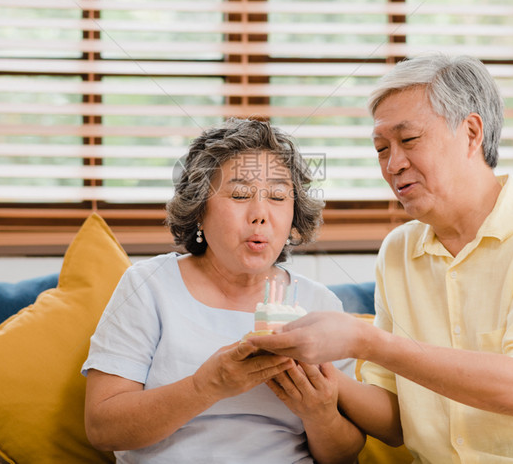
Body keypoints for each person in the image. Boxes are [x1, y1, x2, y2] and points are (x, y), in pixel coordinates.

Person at [250, 54, 513, 462]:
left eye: (409, 140)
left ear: (471, 133)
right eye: (382, 148)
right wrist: (315, 376)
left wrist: (365, 340)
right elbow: (397, 422)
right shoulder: (398, 251)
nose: (393, 164)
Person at [82, 118, 364, 464]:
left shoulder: (319, 304)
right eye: (240, 194)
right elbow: (101, 428)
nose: (260, 215)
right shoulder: (148, 285)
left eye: (277, 196)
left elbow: (345, 455)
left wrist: (320, 414)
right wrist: (207, 386)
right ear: (199, 210)